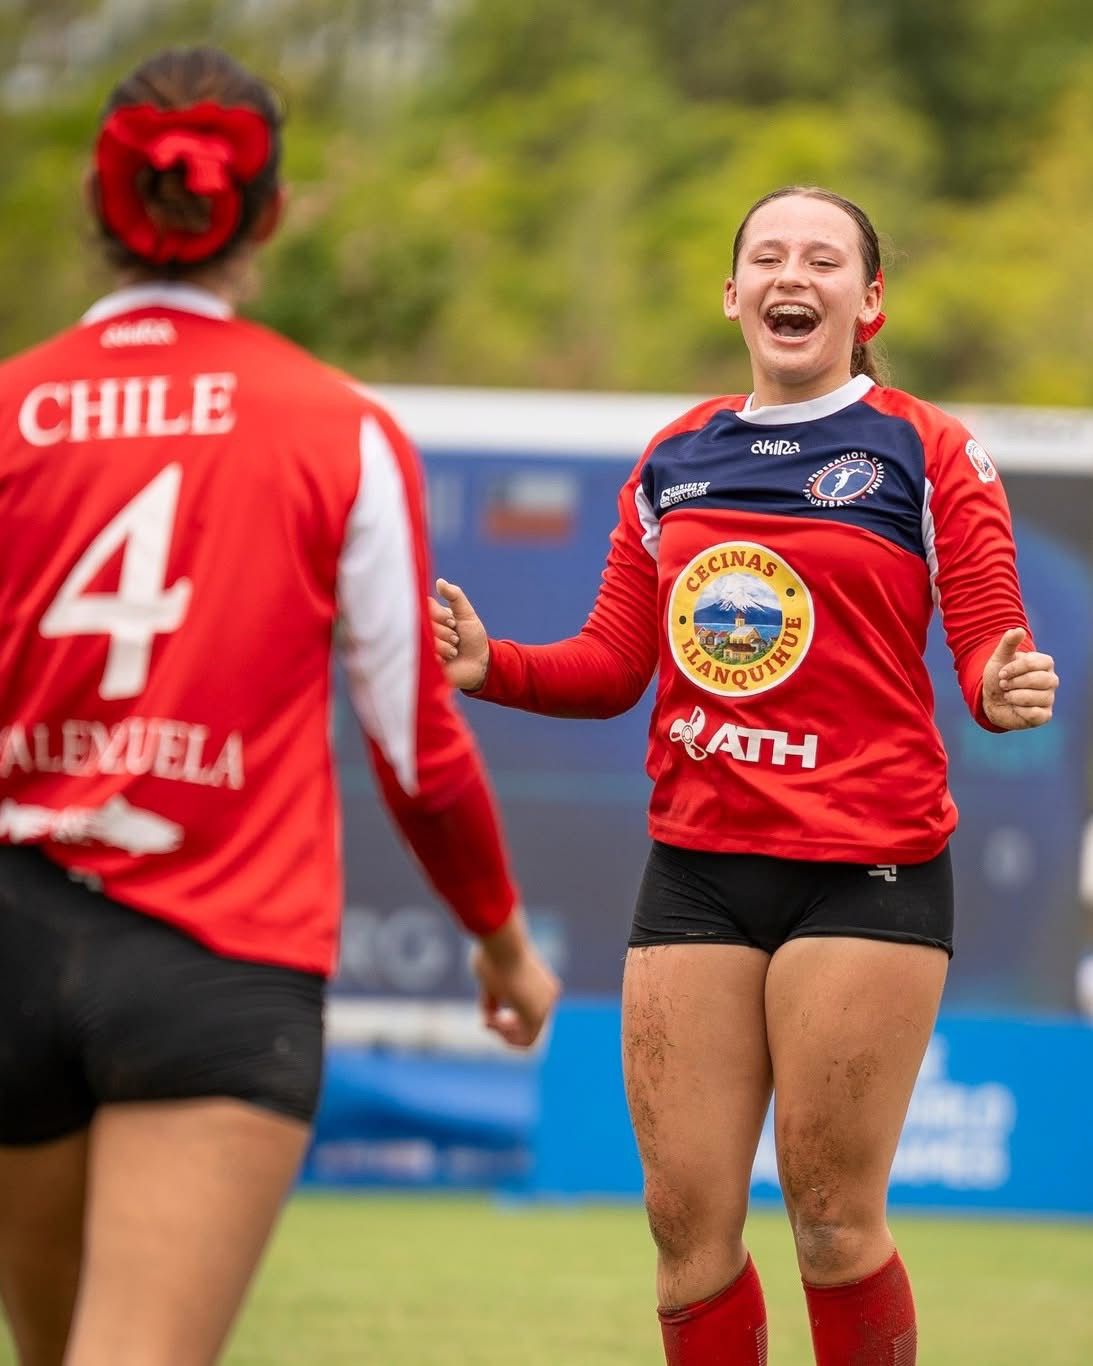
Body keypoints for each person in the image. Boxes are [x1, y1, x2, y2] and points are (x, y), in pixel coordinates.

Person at [431, 186, 1058, 1364]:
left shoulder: (927, 448)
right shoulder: (674, 457)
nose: (792, 275)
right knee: (685, 1235)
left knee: (830, 1222)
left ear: (869, 300)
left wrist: (1001, 683)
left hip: (865, 867)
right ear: (732, 295)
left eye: (823, 259)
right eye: (767, 257)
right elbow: (611, 663)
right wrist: (491, 663)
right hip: (696, 872)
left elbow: (987, 635)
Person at [0, 46, 559, 1366]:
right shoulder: (336, 427)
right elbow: (414, 744)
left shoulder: (9, 409)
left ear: (96, 204)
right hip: (219, 961)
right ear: (272, 212)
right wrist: (500, 941)